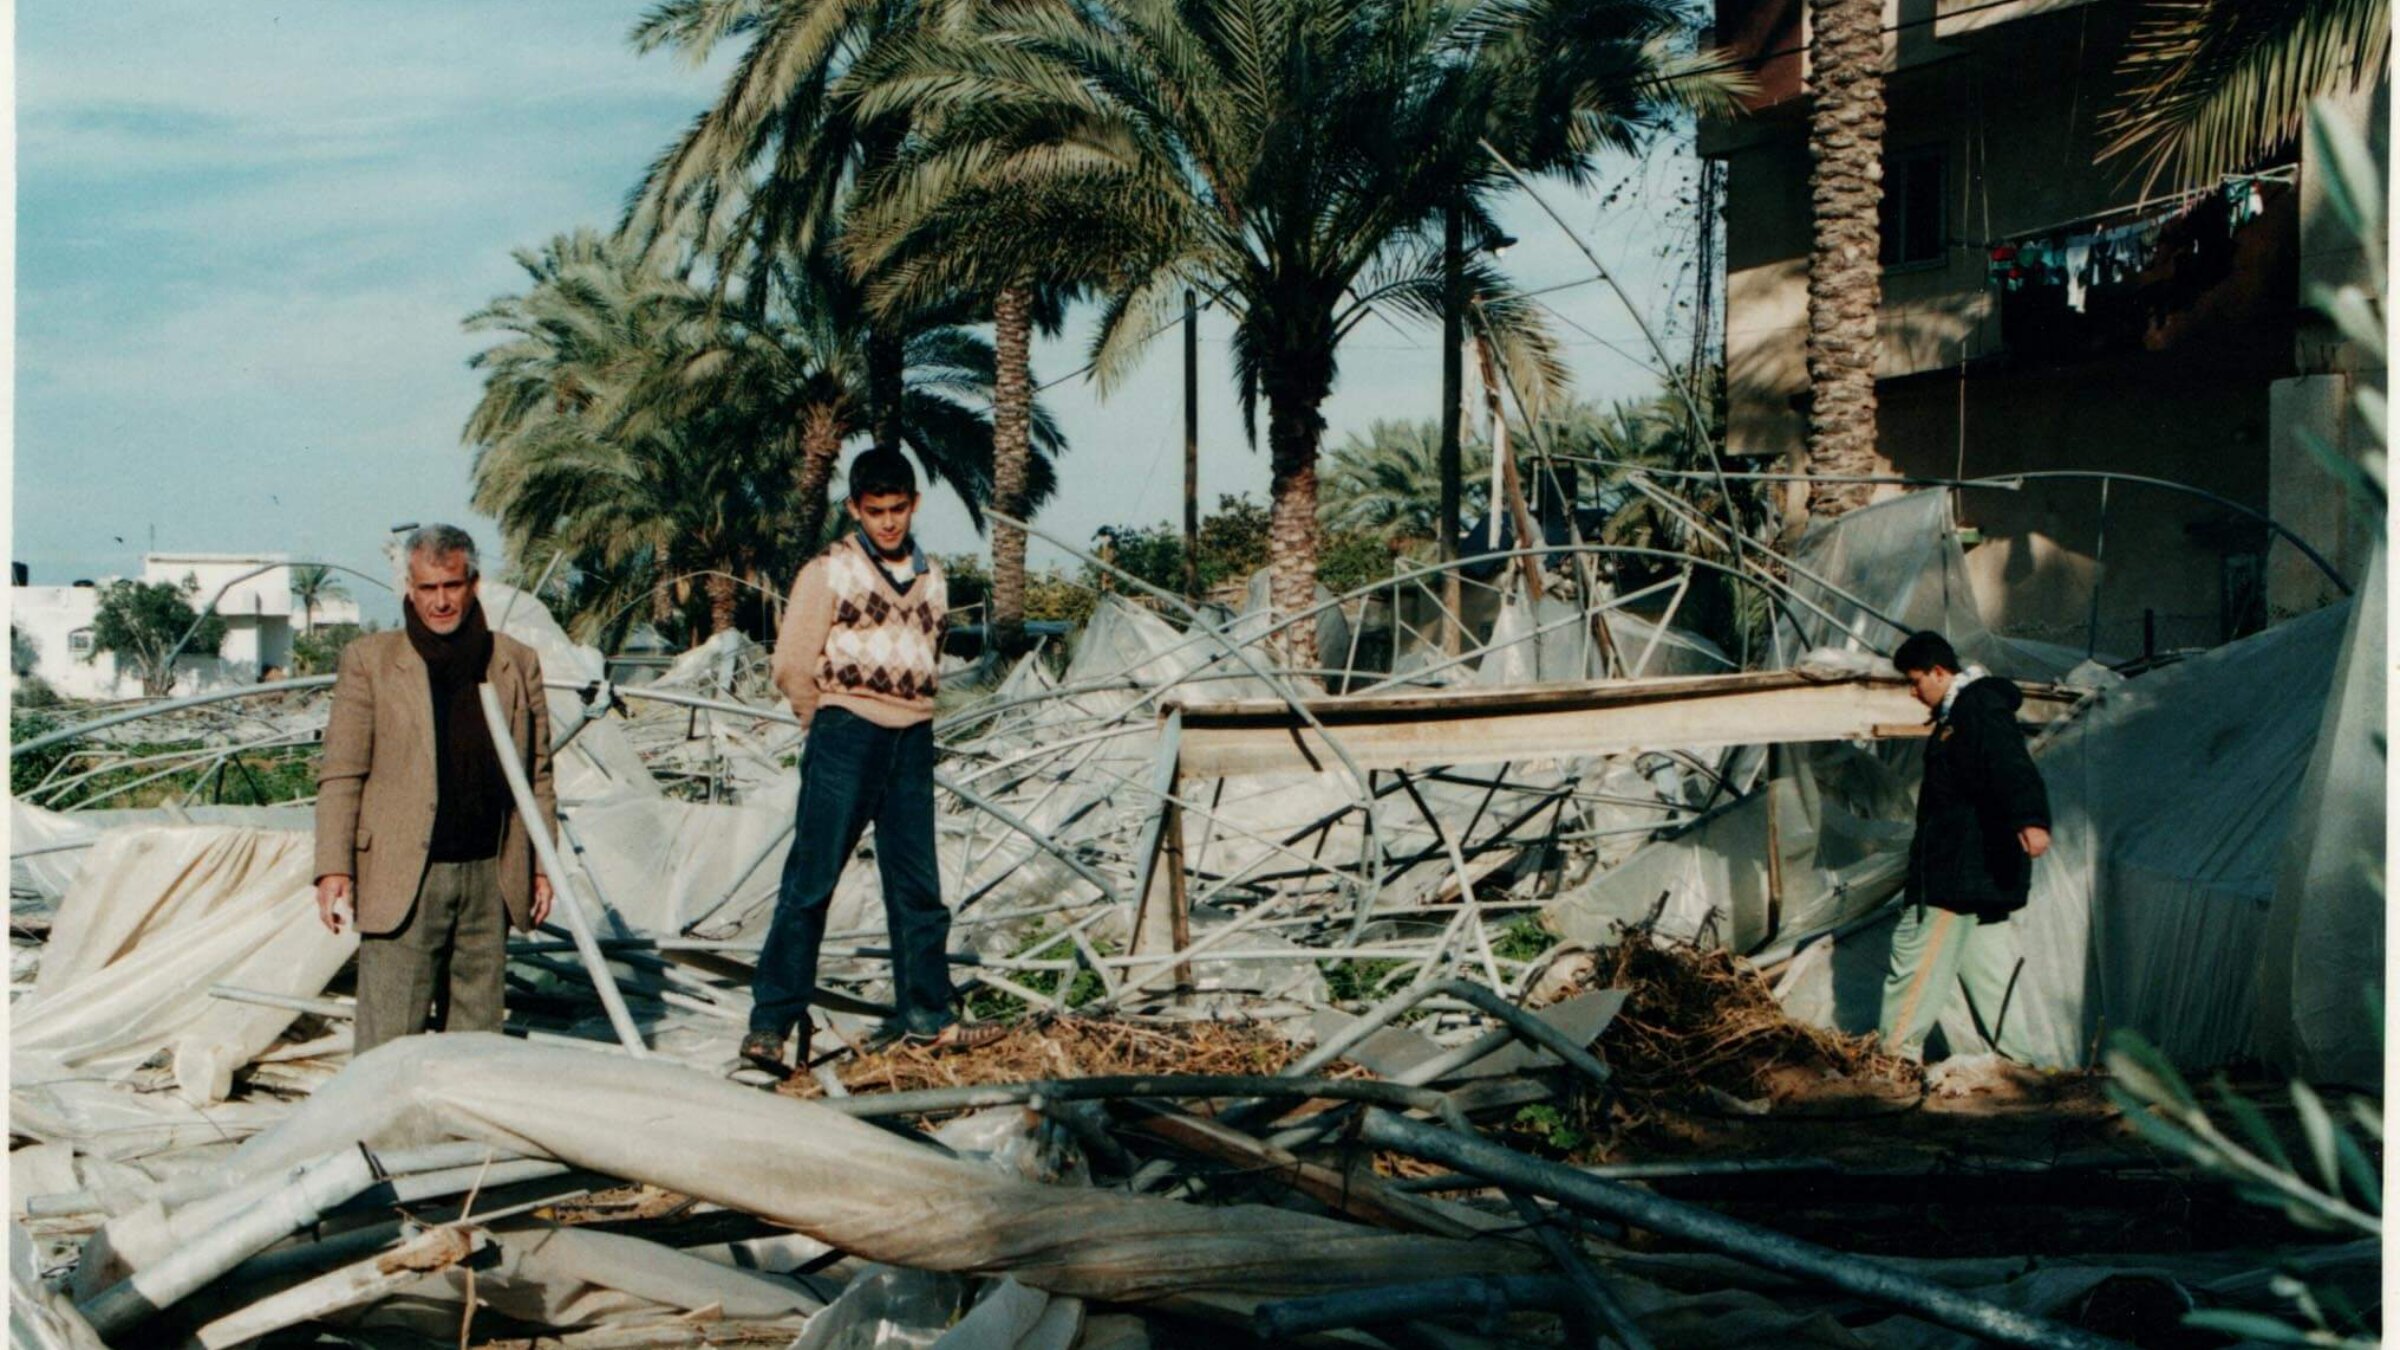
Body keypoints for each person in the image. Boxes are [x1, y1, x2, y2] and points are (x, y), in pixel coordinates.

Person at [744, 448, 1000, 1072]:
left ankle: (928, 1015)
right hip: (845, 734)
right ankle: (771, 1023)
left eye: (898, 510)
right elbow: (790, 663)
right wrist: (825, 717)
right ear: (855, 508)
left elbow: (929, 656)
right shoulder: (830, 570)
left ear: (914, 505)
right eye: (875, 511)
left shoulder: (935, 578)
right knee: (812, 881)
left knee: (917, 888)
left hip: (910, 741)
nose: (888, 522)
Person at [313, 525, 557, 1054]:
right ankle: (380, 1136)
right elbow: (341, 773)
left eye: (452, 585)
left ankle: (460, 1138)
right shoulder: (369, 661)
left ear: (473, 583)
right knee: (388, 1043)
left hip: (489, 877)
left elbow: (538, 774)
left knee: (476, 1044)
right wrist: (334, 867)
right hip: (404, 876)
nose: (441, 602)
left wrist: (540, 865)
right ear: (408, 586)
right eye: (428, 589)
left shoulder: (515, 662)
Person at [1877, 631, 2052, 1062]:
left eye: (1916, 680)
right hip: (1979, 870)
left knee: (1915, 956)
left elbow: (2010, 762)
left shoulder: (1978, 709)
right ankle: (2022, 1066)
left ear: (1939, 671)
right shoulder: (1957, 716)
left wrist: (2031, 819)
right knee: (1988, 974)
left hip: (1958, 869)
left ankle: (1894, 1059)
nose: (1914, 692)